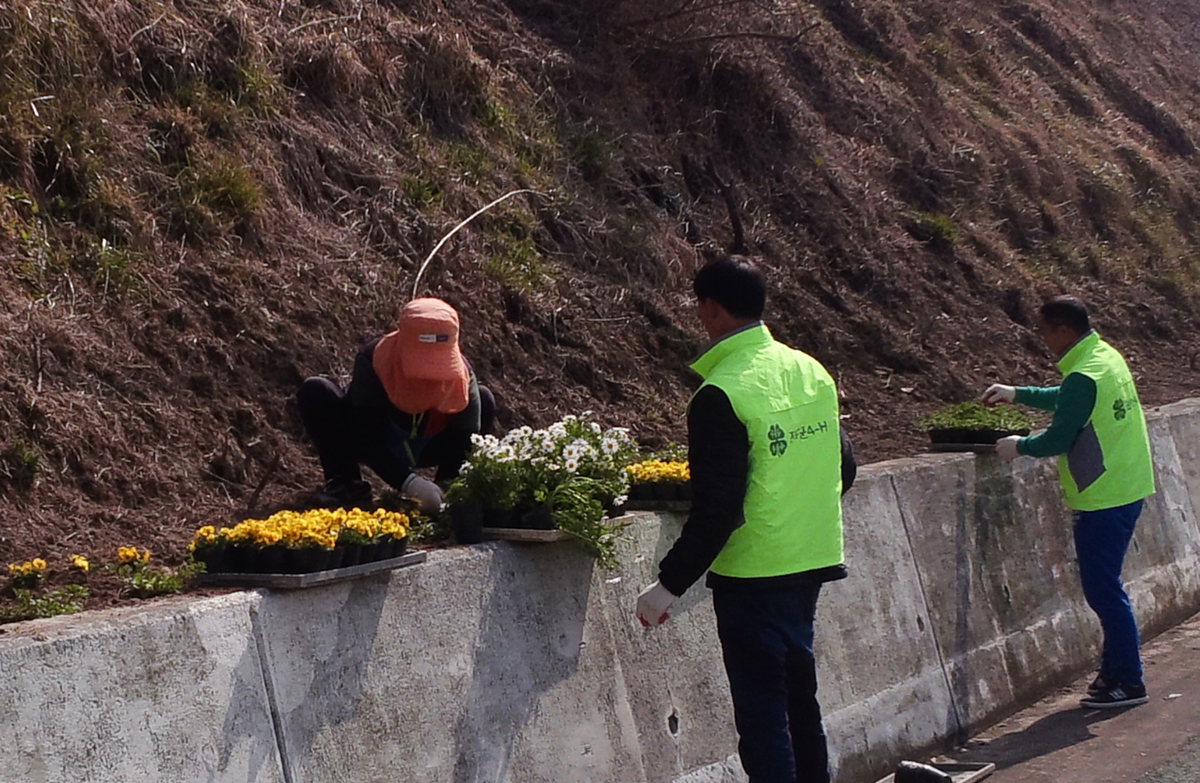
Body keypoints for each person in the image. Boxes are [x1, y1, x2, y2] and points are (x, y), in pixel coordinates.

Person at [636, 256, 855, 783]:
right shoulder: (811, 371)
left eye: (699, 305)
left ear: (711, 309)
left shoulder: (720, 392)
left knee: (763, 718)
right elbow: (843, 467)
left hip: (753, 575)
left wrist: (667, 586)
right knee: (801, 703)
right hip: (812, 561)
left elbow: (718, 507)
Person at [982, 295, 1155, 709]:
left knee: (1103, 592)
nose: (1043, 340)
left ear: (1063, 330)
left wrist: (1020, 446)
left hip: (1103, 496)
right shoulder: (1103, 357)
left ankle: (1129, 681)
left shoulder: (1083, 375)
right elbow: (1072, 398)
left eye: (1045, 332)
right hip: (1127, 485)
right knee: (1107, 587)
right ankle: (1113, 671)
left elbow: (1059, 437)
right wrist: (1018, 393)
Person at [297, 297, 495, 512]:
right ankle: (347, 484)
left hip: (429, 443)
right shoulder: (372, 360)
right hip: (379, 437)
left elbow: (465, 440)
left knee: (484, 400)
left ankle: (445, 493)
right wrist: (410, 483)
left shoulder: (463, 378)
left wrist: (445, 489)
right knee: (315, 392)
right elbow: (367, 436)